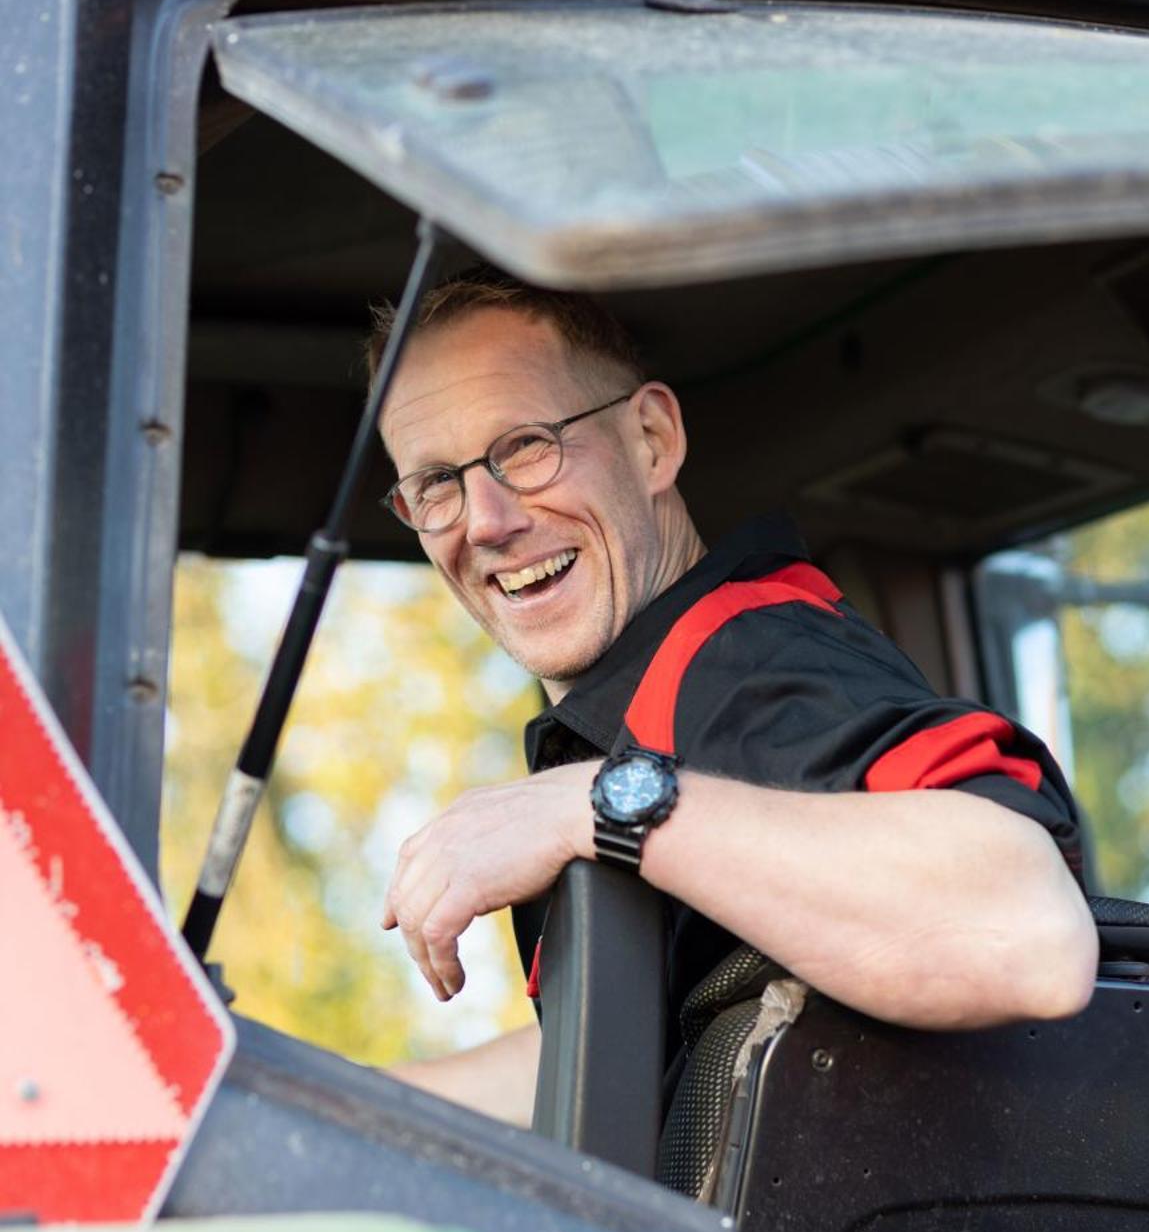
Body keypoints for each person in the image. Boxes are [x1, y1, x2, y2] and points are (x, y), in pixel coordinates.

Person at [374, 268, 1098, 1123]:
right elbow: (627, 1063)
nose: (486, 519)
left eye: (526, 446)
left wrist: (593, 806)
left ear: (650, 439)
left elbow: (1029, 937)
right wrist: (318, 1100)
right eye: (435, 486)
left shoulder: (747, 665)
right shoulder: (641, 710)